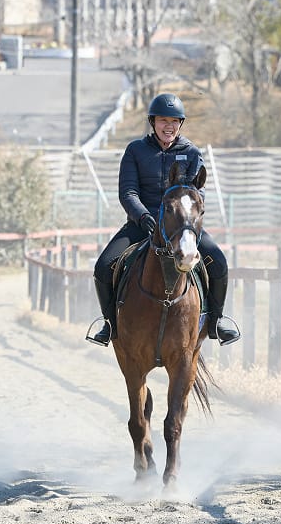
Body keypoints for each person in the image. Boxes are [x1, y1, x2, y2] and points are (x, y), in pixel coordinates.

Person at [87, 92, 239, 347]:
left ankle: (216, 321)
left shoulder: (191, 152)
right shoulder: (135, 150)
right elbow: (128, 192)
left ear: (180, 124)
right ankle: (110, 324)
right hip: (142, 225)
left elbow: (197, 194)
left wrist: (186, 222)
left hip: (182, 228)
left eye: (174, 121)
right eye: (163, 120)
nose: (169, 126)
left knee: (219, 262)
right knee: (103, 266)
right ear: (153, 122)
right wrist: (143, 216)